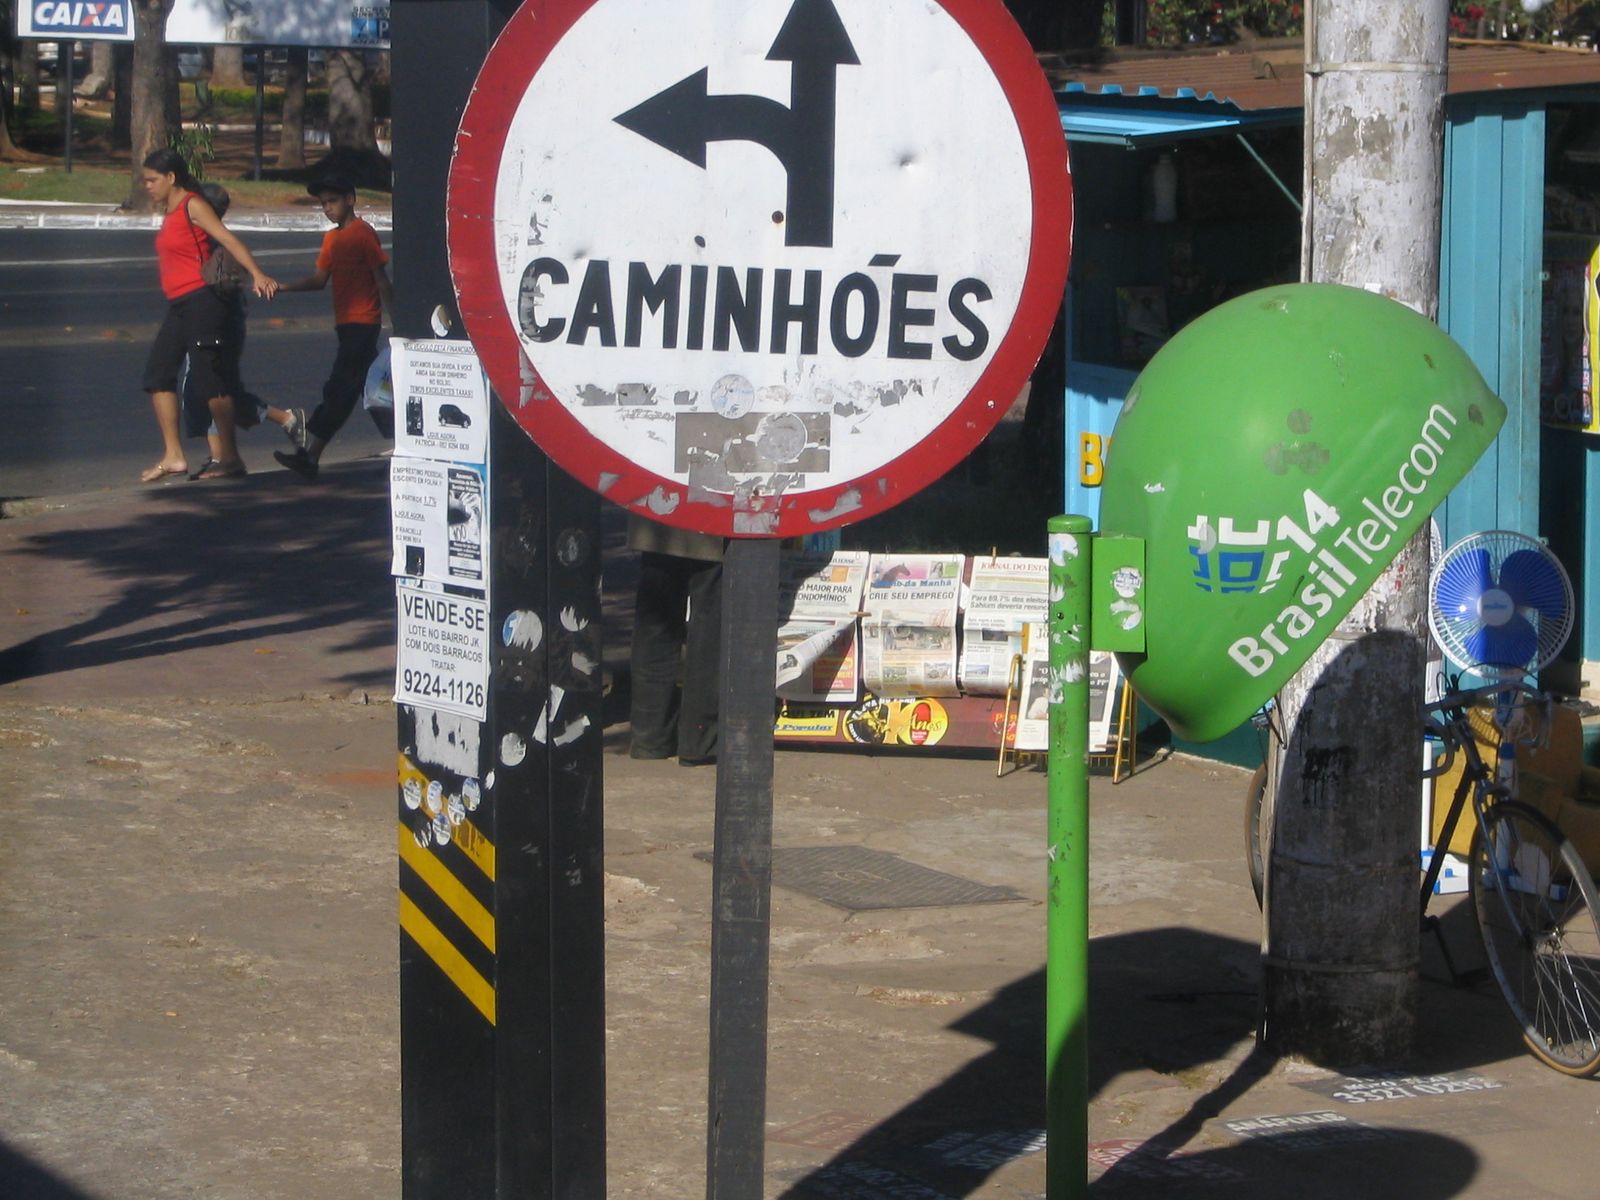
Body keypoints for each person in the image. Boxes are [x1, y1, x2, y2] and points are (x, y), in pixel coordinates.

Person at [138, 147, 278, 483]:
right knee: (158, 375)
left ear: (171, 177)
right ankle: (174, 456)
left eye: (152, 180)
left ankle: (230, 458)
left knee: (209, 380)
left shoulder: (193, 205)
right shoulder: (170, 211)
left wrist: (257, 274)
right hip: (179, 304)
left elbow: (228, 240)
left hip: (204, 301)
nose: (147, 186)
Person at [180, 182, 308, 478]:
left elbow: (215, 292)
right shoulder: (207, 240)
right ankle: (224, 454)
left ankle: (276, 425)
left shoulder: (216, 245)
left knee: (212, 389)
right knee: (209, 389)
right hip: (213, 323)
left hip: (216, 326)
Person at [273, 175, 393, 481]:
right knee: (371, 392)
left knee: (340, 389)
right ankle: (311, 457)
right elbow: (318, 280)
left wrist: (398, 320)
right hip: (346, 326)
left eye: (333, 201)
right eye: (323, 203)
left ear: (350, 200)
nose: (327, 208)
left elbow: (381, 279)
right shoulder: (331, 239)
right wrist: (282, 287)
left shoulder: (363, 233)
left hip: (363, 324)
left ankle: (309, 449)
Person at [627, 515, 724, 766]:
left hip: (659, 511)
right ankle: (700, 740)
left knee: (656, 617)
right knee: (711, 618)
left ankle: (650, 738)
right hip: (715, 513)